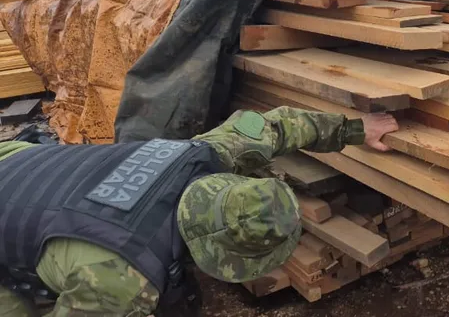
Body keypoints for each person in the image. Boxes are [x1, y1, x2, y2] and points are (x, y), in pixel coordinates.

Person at [0, 106, 399, 316]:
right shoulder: (119, 281)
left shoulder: (205, 154)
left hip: (16, 159)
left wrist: (356, 129)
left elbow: (278, 125)